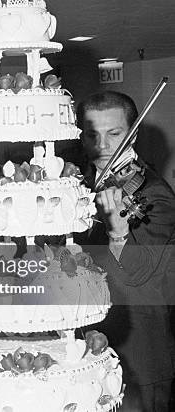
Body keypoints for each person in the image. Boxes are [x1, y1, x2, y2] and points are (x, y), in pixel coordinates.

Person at [75, 91, 175, 412]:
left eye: (114, 133)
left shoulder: (155, 195)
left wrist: (119, 232)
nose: (102, 146)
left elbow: (138, 271)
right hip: (91, 352)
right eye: (93, 135)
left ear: (133, 134)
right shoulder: (83, 185)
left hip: (139, 357)